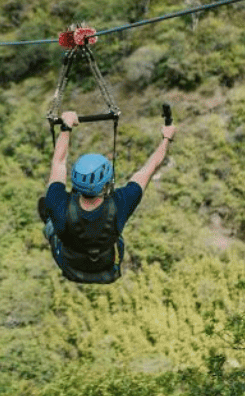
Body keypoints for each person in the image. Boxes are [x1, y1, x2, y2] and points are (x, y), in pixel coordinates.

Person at [41, 110, 176, 284]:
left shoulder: (57, 201)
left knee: (47, 211)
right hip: (106, 264)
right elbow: (150, 167)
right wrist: (167, 138)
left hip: (70, 264)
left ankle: (50, 225)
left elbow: (58, 162)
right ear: (106, 184)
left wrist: (66, 128)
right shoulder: (121, 202)